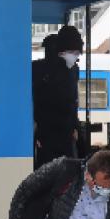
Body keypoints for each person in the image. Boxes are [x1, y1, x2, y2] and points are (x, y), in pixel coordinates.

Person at [33, 26, 83, 169]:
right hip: (50, 136)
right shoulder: (44, 70)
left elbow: (72, 102)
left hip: (63, 135)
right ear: (61, 51)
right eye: (72, 52)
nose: (75, 56)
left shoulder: (73, 70)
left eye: (77, 52)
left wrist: (74, 127)